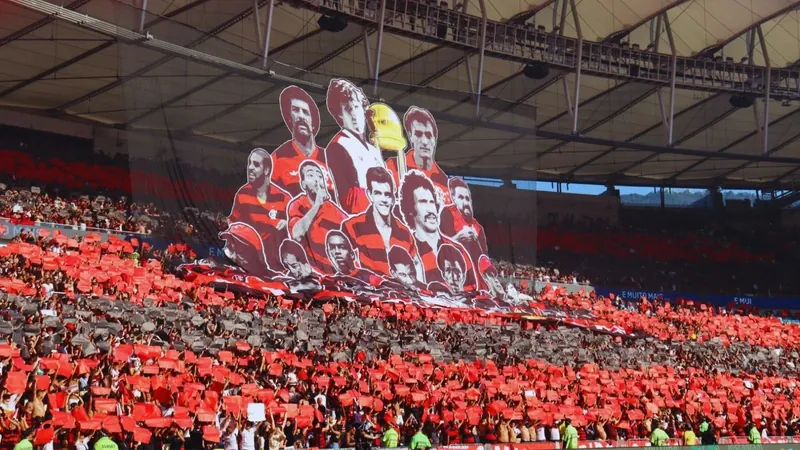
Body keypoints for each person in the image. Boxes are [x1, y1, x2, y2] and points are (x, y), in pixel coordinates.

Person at [398, 170, 476, 289]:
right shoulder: (407, 251)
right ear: (409, 209)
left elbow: (473, 291)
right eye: (423, 202)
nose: (430, 210)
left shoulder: (458, 250)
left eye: (432, 202)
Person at [341, 167, 419, 276]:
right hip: (367, 290)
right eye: (378, 193)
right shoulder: (351, 226)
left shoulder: (405, 233)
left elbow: (416, 271)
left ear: (393, 198)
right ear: (369, 195)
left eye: (387, 194)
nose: (384, 199)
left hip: (400, 291)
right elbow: (341, 265)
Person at [324, 78, 386, 215]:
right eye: (347, 109)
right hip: (361, 219)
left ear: (364, 110)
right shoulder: (338, 146)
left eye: (356, 107)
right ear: (339, 114)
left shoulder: (374, 149)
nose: (353, 115)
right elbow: (348, 199)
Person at [227, 148, 291, 271]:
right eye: (249, 163)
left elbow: (296, 231)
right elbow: (233, 224)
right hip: (249, 263)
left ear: (266, 170)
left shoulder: (284, 198)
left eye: (256, 164)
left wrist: (287, 224)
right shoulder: (242, 194)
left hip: (277, 265)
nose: (250, 167)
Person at [287, 160, 348, 273]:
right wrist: (316, 205)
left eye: (320, 176)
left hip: (335, 271)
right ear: (303, 184)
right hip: (311, 271)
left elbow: (350, 233)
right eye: (311, 175)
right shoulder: (298, 205)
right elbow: (297, 235)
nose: (316, 179)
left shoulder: (332, 209)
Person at [271, 85, 332, 198]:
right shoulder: (278, 158)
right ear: (290, 118)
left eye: (305, 112)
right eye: (295, 110)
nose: (301, 116)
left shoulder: (330, 160)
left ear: (313, 123)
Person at [386, 106, 450, 204]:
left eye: (429, 136)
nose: (424, 141)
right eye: (419, 134)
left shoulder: (444, 181)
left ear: (435, 139)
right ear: (410, 136)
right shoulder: (393, 167)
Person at [440, 177, 488, 288]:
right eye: (461, 197)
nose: (465, 202)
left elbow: (484, 259)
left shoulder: (478, 228)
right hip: (453, 279)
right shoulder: (447, 214)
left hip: (475, 283)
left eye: (467, 198)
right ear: (453, 199)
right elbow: (439, 248)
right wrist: (459, 237)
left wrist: (477, 245)